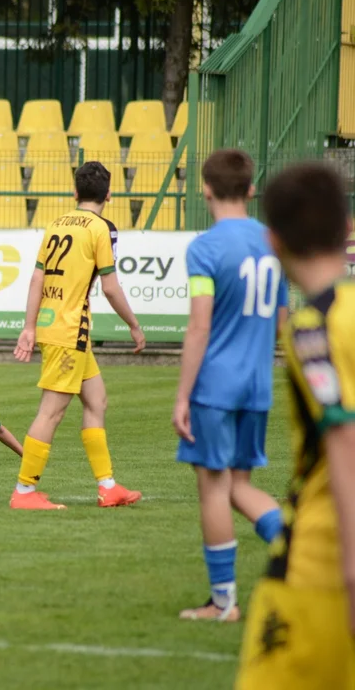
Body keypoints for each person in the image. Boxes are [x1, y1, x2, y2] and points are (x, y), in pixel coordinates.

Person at [235, 162, 355, 689]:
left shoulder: (313, 329)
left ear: (273, 239)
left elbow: (345, 443)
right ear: (346, 226)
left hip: (320, 566)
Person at [172, 149, 287, 622]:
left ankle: (223, 603)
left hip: (215, 387)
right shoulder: (274, 242)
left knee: (215, 490)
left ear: (205, 190)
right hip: (257, 385)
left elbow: (199, 326)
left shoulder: (206, 247)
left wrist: (183, 394)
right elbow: (282, 319)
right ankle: (312, 556)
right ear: (252, 189)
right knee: (240, 485)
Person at [11, 161, 145, 510]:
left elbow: (37, 279)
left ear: (75, 192)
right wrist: (133, 324)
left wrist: (29, 326)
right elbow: (111, 287)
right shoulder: (100, 228)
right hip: (70, 331)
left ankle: (108, 486)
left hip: (58, 327)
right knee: (51, 412)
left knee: (96, 401)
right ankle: (24, 492)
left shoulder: (56, 224)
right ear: (109, 195)